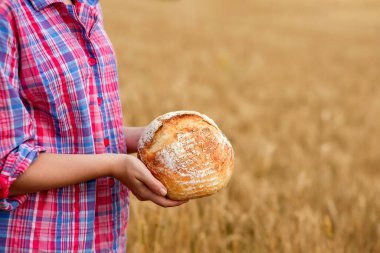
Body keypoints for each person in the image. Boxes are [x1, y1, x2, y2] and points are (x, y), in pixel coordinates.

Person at [0, 0, 186, 251]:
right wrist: (115, 164)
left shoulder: (87, 5)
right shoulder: (7, 12)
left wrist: (149, 136)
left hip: (102, 236)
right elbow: (7, 165)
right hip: (40, 239)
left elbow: (72, 132)